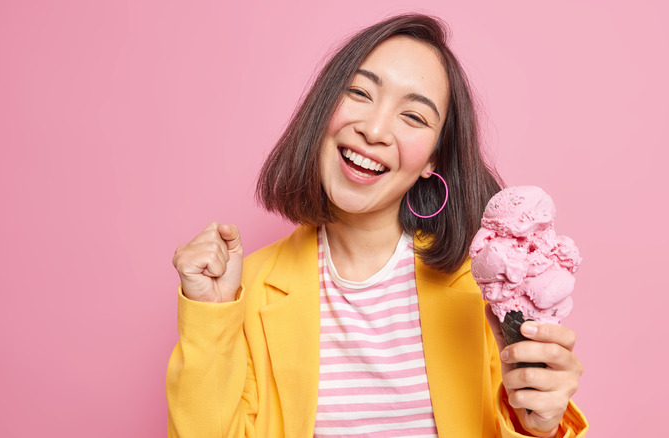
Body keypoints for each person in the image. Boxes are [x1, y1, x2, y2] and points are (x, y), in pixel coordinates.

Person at [167, 14, 588, 438]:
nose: (373, 130)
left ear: (432, 161)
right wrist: (211, 318)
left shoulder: (481, 284)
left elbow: (525, 418)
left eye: (414, 117)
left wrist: (541, 425)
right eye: (360, 92)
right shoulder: (248, 290)